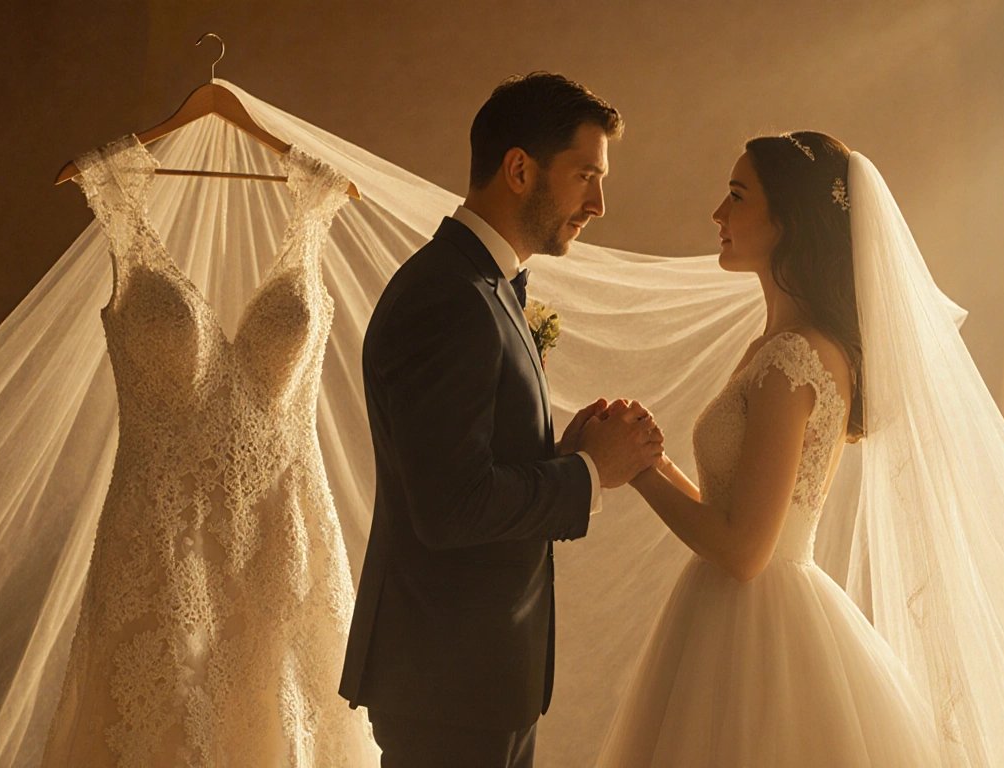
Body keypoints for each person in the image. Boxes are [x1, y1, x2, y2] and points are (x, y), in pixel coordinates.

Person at [339, 72, 664, 768]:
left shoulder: (481, 286)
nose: (599, 204)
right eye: (585, 175)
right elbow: (450, 507)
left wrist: (558, 459)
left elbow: (468, 469)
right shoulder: (451, 297)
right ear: (520, 168)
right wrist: (586, 476)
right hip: (447, 689)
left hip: (471, 684)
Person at [594, 132, 941, 767]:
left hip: (760, 632)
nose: (718, 215)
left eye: (736, 196)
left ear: (788, 220)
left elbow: (746, 551)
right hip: (735, 615)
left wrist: (637, 471)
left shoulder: (794, 357)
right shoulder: (774, 345)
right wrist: (648, 451)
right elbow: (740, 516)